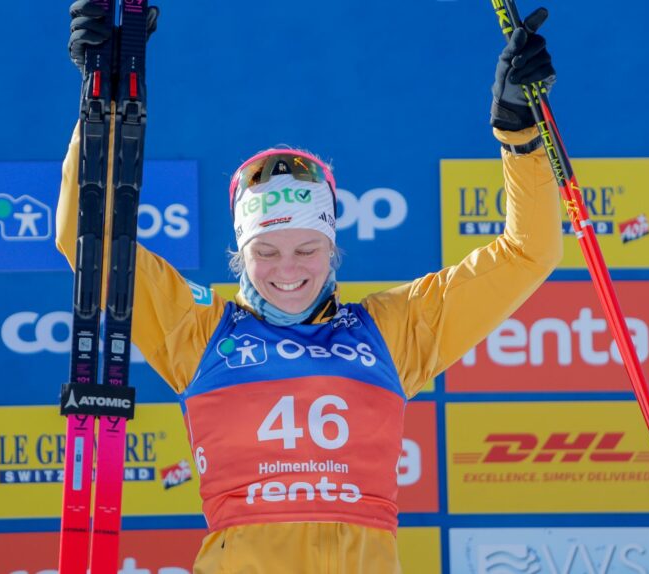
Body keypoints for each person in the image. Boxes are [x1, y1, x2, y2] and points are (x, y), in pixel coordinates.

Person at [60, 2, 561, 572]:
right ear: (240, 255)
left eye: (307, 250)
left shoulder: (393, 331)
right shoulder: (197, 331)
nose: (287, 270)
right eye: (265, 252)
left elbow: (529, 253)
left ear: (332, 248)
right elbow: (86, 238)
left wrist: (521, 137)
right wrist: (94, 105)